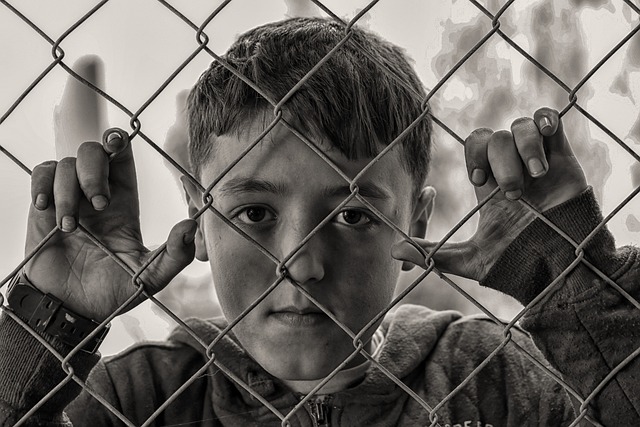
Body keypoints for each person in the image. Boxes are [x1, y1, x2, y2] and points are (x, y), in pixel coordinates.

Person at [0, 16, 638, 427]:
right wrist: (49, 325)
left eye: (355, 215)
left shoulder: (490, 380)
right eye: (254, 213)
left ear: (414, 220)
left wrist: (575, 279)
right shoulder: (142, 397)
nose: (300, 263)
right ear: (199, 214)